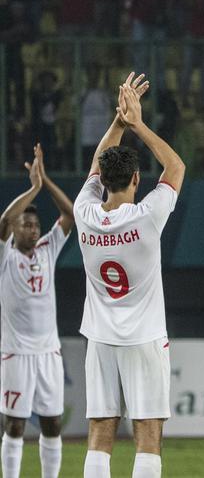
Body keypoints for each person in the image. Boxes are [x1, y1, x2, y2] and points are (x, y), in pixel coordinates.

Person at [74, 73, 185, 478]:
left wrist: (118, 124)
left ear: (101, 180)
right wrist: (136, 123)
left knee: (100, 432)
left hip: (100, 338)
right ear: (138, 179)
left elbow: (95, 164)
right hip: (144, 338)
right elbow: (175, 165)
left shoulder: (83, 214)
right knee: (148, 434)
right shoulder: (148, 216)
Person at [0, 144, 73, 478]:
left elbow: (70, 215)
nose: (32, 229)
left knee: (52, 422)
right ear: (15, 231)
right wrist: (32, 190)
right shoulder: (6, 258)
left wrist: (46, 181)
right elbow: (3, 220)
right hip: (16, 354)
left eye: (35, 225)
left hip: (49, 353)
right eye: (25, 224)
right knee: (14, 424)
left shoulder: (48, 248)